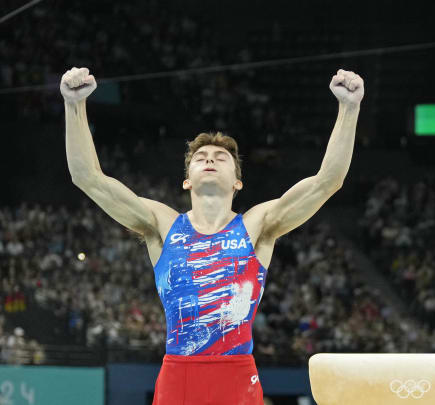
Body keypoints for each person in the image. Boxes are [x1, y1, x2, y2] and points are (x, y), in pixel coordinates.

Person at [61, 66, 364, 405]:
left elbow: (327, 181)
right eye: (201, 157)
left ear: (237, 182)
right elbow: (88, 178)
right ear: (187, 180)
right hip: (179, 373)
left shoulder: (257, 225)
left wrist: (348, 108)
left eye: (221, 157)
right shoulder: (162, 224)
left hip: (235, 374)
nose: (210, 159)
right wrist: (74, 106)